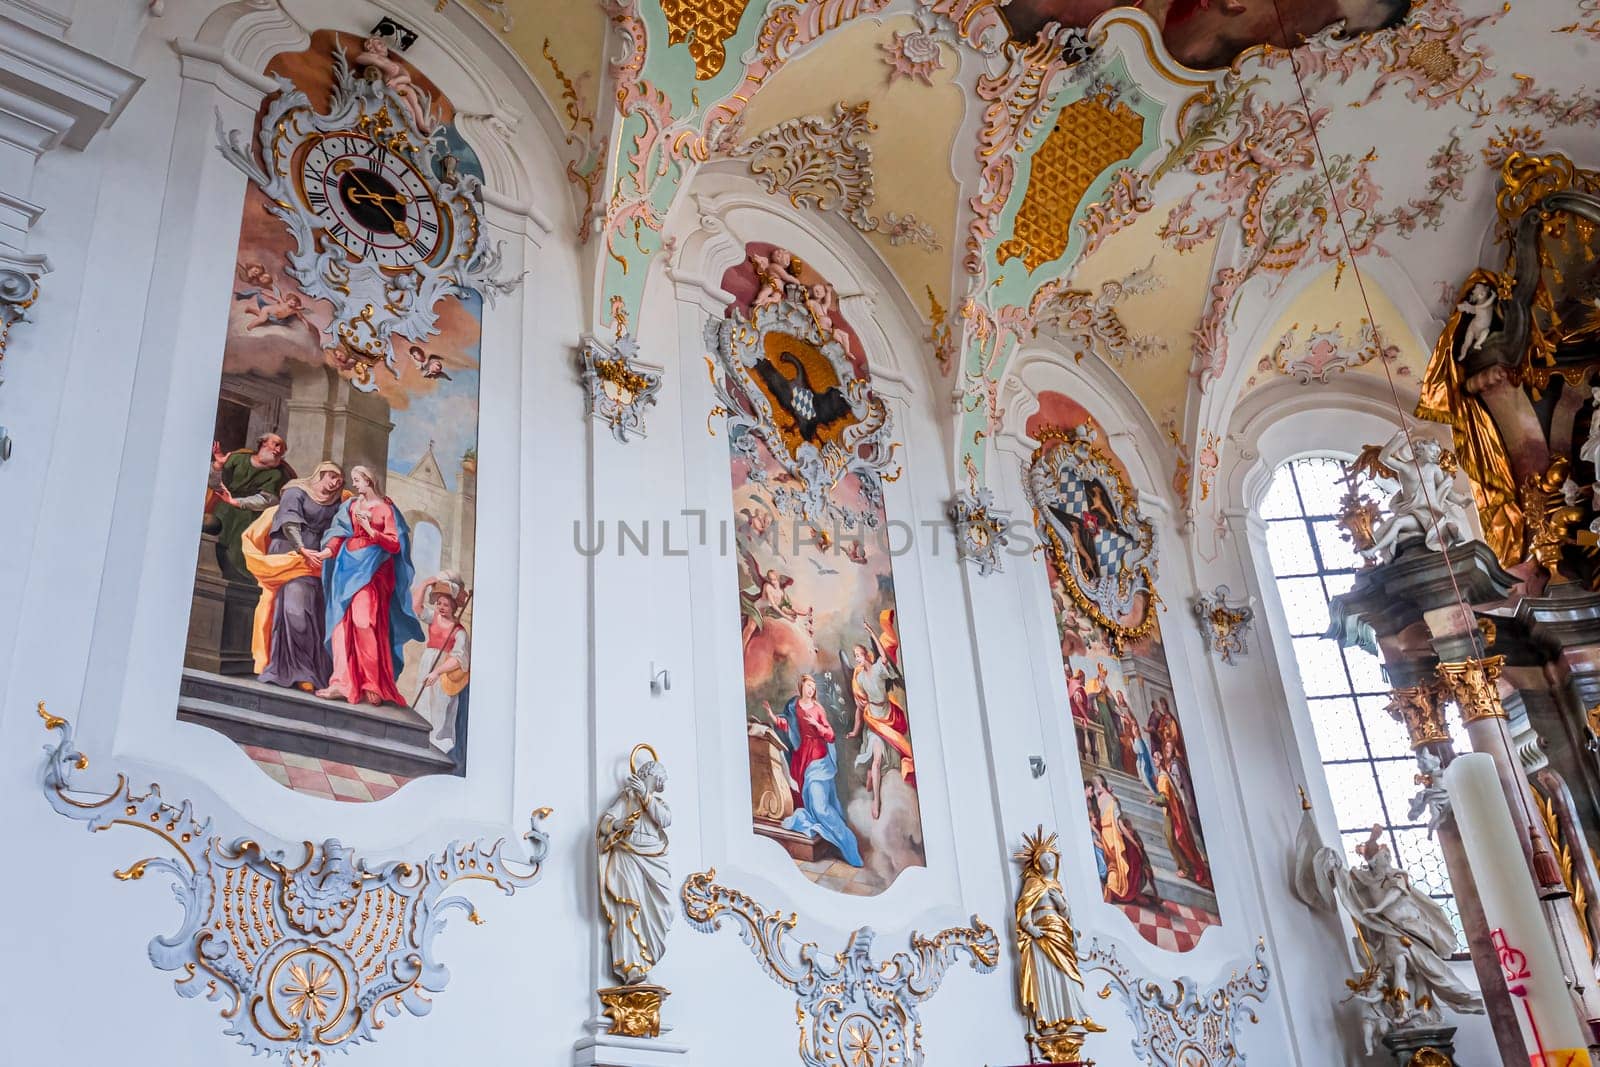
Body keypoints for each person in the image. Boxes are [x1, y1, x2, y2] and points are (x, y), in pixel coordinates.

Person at [317, 465, 423, 705]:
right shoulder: (351, 506)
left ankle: (372, 682)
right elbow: (339, 531)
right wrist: (328, 551)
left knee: (364, 621)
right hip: (346, 568)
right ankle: (341, 683)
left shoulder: (386, 509)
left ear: (369, 480)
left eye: (358, 480)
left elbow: (395, 545)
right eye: (353, 480)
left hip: (374, 570)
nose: (354, 484)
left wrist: (370, 531)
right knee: (341, 625)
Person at [246, 462, 345, 690]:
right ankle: (293, 669)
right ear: (319, 473)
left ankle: (310, 672)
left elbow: (339, 531)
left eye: (339, 480)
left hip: (316, 562)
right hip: (289, 554)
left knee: (314, 609)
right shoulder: (296, 491)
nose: (335, 483)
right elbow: (289, 522)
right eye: (332, 476)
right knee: (295, 609)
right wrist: (302, 549)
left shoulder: (336, 503)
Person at [765, 675, 862, 867]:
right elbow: (789, 724)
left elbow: (831, 735)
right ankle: (834, 842)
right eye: (808, 686)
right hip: (803, 760)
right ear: (801, 687)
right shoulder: (794, 706)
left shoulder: (818, 709)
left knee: (821, 808)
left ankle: (850, 846)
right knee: (809, 805)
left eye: (813, 687)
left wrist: (817, 725)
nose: (811, 690)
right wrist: (772, 717)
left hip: (819, 761)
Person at [1014, 828, 1101, 1036]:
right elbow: (1023, 910)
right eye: (1044, 860)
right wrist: (1031, 928)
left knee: (1068, 973)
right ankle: (1053, 1018)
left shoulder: (1057, 885)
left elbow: (1066, 914)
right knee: (1050, 974)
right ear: (1037, 864)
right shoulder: (1033, 883)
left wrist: (1062, 903)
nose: (1048, 863)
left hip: (1060, 931)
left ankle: (1078, 1016)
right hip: (1042, 932)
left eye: (1051, 859)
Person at [596, 755, 672, 985]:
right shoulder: (626, 798)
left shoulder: (658, 804)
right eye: (657, 777)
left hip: (653, 859)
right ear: (650, 775)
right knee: (628, 908)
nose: (659, 782)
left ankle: (646, 957)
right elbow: (605, 822)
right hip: (627, 856)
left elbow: (665, 820)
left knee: (661, 908)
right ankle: (632, 966)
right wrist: (618, 824)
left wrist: (645, 796)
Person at [846, 613, 916, 819]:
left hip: (889, 717)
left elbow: (884, 657)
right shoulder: (858, 677)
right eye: (855, 657)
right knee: (877, 759)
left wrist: (872, 632)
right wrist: (856, 730)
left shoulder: (878, 669)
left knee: (891, 759)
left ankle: (871, 775)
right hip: (874, 722)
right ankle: (876, 801)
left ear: (867, 655)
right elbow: (860, 706)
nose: (857, 659)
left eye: (859, 655)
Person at [207, 433, 293, 583]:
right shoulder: (238, 458)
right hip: (223, 508)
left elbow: (267, 500)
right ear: (263, 444)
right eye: (277, 445)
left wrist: (237, 502)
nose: (280, 450)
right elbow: (214, 483)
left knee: (239, 550)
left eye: (283, 449)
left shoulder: (276, 474)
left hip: (251, 516)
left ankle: (237, 578)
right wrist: (218, 465)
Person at [411, 571, 470, 754]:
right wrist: (426, 583)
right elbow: (416, 607)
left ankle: (437, 744)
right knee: (424, 702)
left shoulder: (459, 631)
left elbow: (459, 658)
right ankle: (419, 740)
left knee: (441, 706)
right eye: (439, 603)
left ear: (453, 606)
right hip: (428, 662)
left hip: (444, 671)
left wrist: (437, 673)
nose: (442, 607)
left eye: (446, 604)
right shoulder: (434, 618)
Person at [1091, 775, 1155, 906]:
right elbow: (1120, 825)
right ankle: (1123, 891)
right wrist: (1133, 842)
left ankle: (1110, 889)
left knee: (1113, 866)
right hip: (1114, 837)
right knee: (1127, 861)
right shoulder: (1112, 801)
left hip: (1105, 835)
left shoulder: (1098, 800)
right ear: (1104, 784)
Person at [1157, 744, 1211, 888]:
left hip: (1182, 807)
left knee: (1185, 839)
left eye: (1170, 747)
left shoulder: (1174, 766)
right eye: (1166, 747)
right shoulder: (1167, 770)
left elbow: (1180, 787)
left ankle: (1197, 867)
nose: (1167, 750)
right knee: (1179, 838)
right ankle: (1192, 867)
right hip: (1177, 808)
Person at [1090, 664, 1126, 773]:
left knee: (1113, 737)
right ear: (1099, 674)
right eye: (1102, 674)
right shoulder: (1094, 683)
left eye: (1105, 675)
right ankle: (1109, 761)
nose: (1104, 677)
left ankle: (1115, 763)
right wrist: (1099, 691)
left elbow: (1112, 703)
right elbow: (1091, 698)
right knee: (1104, 737)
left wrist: (1121, 714)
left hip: (1108, 716)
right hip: (1100, 714)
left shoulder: (1105, 687)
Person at [1120, 692, 1159, 794]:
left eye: (1135, 727)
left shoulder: (1138, 739)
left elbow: (1137, 750)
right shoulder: (1139, 739)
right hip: (1142, 761)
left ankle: (1152, 791)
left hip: (1143, 762)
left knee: (1146, 776)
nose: (1135, 729)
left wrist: (1132, 742)